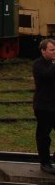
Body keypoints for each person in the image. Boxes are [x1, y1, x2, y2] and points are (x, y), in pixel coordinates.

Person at [33, 39, 55, 174]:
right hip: (43, 106)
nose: (54, 52)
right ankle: (45, 162)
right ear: (43, 51)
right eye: (52, 50)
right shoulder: (38, 64)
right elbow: (47, 76)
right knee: (44, 136)